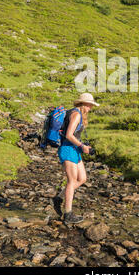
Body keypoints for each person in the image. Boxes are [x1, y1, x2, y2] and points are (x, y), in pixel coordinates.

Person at [52, 93, 99, 224]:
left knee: (82, 178)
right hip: (68, 149)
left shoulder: (77, 113)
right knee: (72, 181)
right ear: (83, 104)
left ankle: (59, 198)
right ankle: (68, 214)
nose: (91, 107)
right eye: (90, 105)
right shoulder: (76, 114)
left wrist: (83, 146)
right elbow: (68, 135)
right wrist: (82, 146)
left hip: (74, 149)